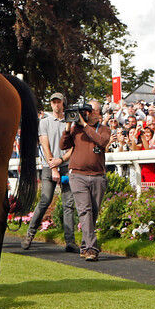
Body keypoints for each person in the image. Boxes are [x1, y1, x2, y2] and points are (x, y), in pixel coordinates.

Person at [21, 93, 78, 252]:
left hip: (65, 165)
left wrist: (61, 160)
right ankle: (30, 234)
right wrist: (54, 166)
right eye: (53, 102)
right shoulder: (44, 122)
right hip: (49, 166)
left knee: (68, 203)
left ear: (63, 104)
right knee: (45, 200)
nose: (56, 105)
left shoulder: (70, 123)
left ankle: (70, 241)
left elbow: (73, 147)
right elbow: (45, 146)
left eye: (58, 102)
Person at [61, 100, 110, 261]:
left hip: (97, 175)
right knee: (85, 211)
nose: (86, 114)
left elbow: (102, 142)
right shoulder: (76, 129)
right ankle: (91, 249)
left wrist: (85, 125)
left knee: (92, 213)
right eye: (84, 111)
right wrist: (68, 127)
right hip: (78, 175)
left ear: (98, 113)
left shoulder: (104, 129)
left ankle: (84, 245)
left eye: (90, 111)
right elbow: (63, 145)